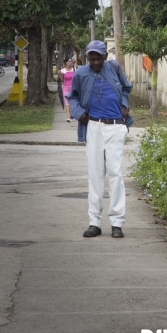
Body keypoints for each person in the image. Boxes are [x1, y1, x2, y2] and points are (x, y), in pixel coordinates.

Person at [67, 40, 133, 239]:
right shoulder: (81, 74)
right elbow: (73, 97)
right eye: (92, 58)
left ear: (105, 57)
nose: (95, 61)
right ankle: (94, 222)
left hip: (115, 126)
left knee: (115, 174)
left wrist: (124, 106)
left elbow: (125, 88)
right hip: (94, 126)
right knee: (95, 174)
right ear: (87, 57)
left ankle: (117, 223)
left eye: (99, 58)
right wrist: (79, 113)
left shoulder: (113, 68)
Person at [58, 58, 75, 122]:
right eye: (70, 61)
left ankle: (72, 114)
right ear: (66, 62)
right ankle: (68, 116)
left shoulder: (74, 70)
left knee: (73, 102)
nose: (71, 62)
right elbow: (62, 80)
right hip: (65, 88)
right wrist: (59, 74)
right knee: (67, 102)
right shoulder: (63, 71)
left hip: (73, 88)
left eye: (71, 61)